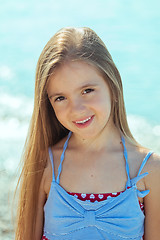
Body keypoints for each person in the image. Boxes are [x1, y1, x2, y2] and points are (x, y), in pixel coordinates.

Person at [15, 27, 160, 240]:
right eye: (60, 98)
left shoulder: (149, 169)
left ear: (112, 85)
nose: (77, 109)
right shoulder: (47, 164)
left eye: (87, 90)